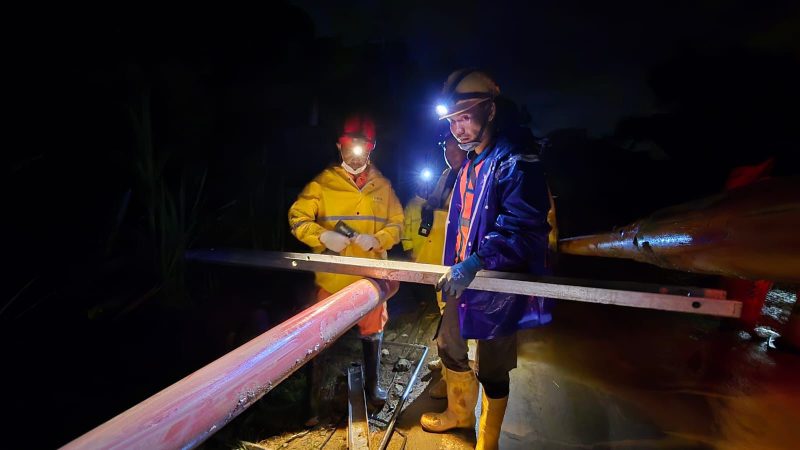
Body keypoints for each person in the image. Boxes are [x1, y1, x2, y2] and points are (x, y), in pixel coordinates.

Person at [421, 69, 554, 450]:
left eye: (465, 117)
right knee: (449, 344)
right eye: (452, 122)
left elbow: (522, 229)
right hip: (464, 278)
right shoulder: (472, 162)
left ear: (490, 111)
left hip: (498, 282)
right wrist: (459, 264)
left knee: (493, 366)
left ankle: (488, 439)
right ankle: (459, 414)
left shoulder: (516, 160)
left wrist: (475, 262)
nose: (458, 129)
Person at [288, 113, 404, 413]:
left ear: (371, 149)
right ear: (340, 147)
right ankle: (312, 398)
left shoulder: (382, 186)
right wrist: (322, 235)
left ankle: (372, 386)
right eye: (349, 146)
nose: (355, 154)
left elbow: (398, 223)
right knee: (318, 335)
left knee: (373, 330)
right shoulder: (323, 183)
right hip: (333, 279)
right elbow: (297, 218)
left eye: (362, 148)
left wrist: (378, 239)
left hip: (371, 279)